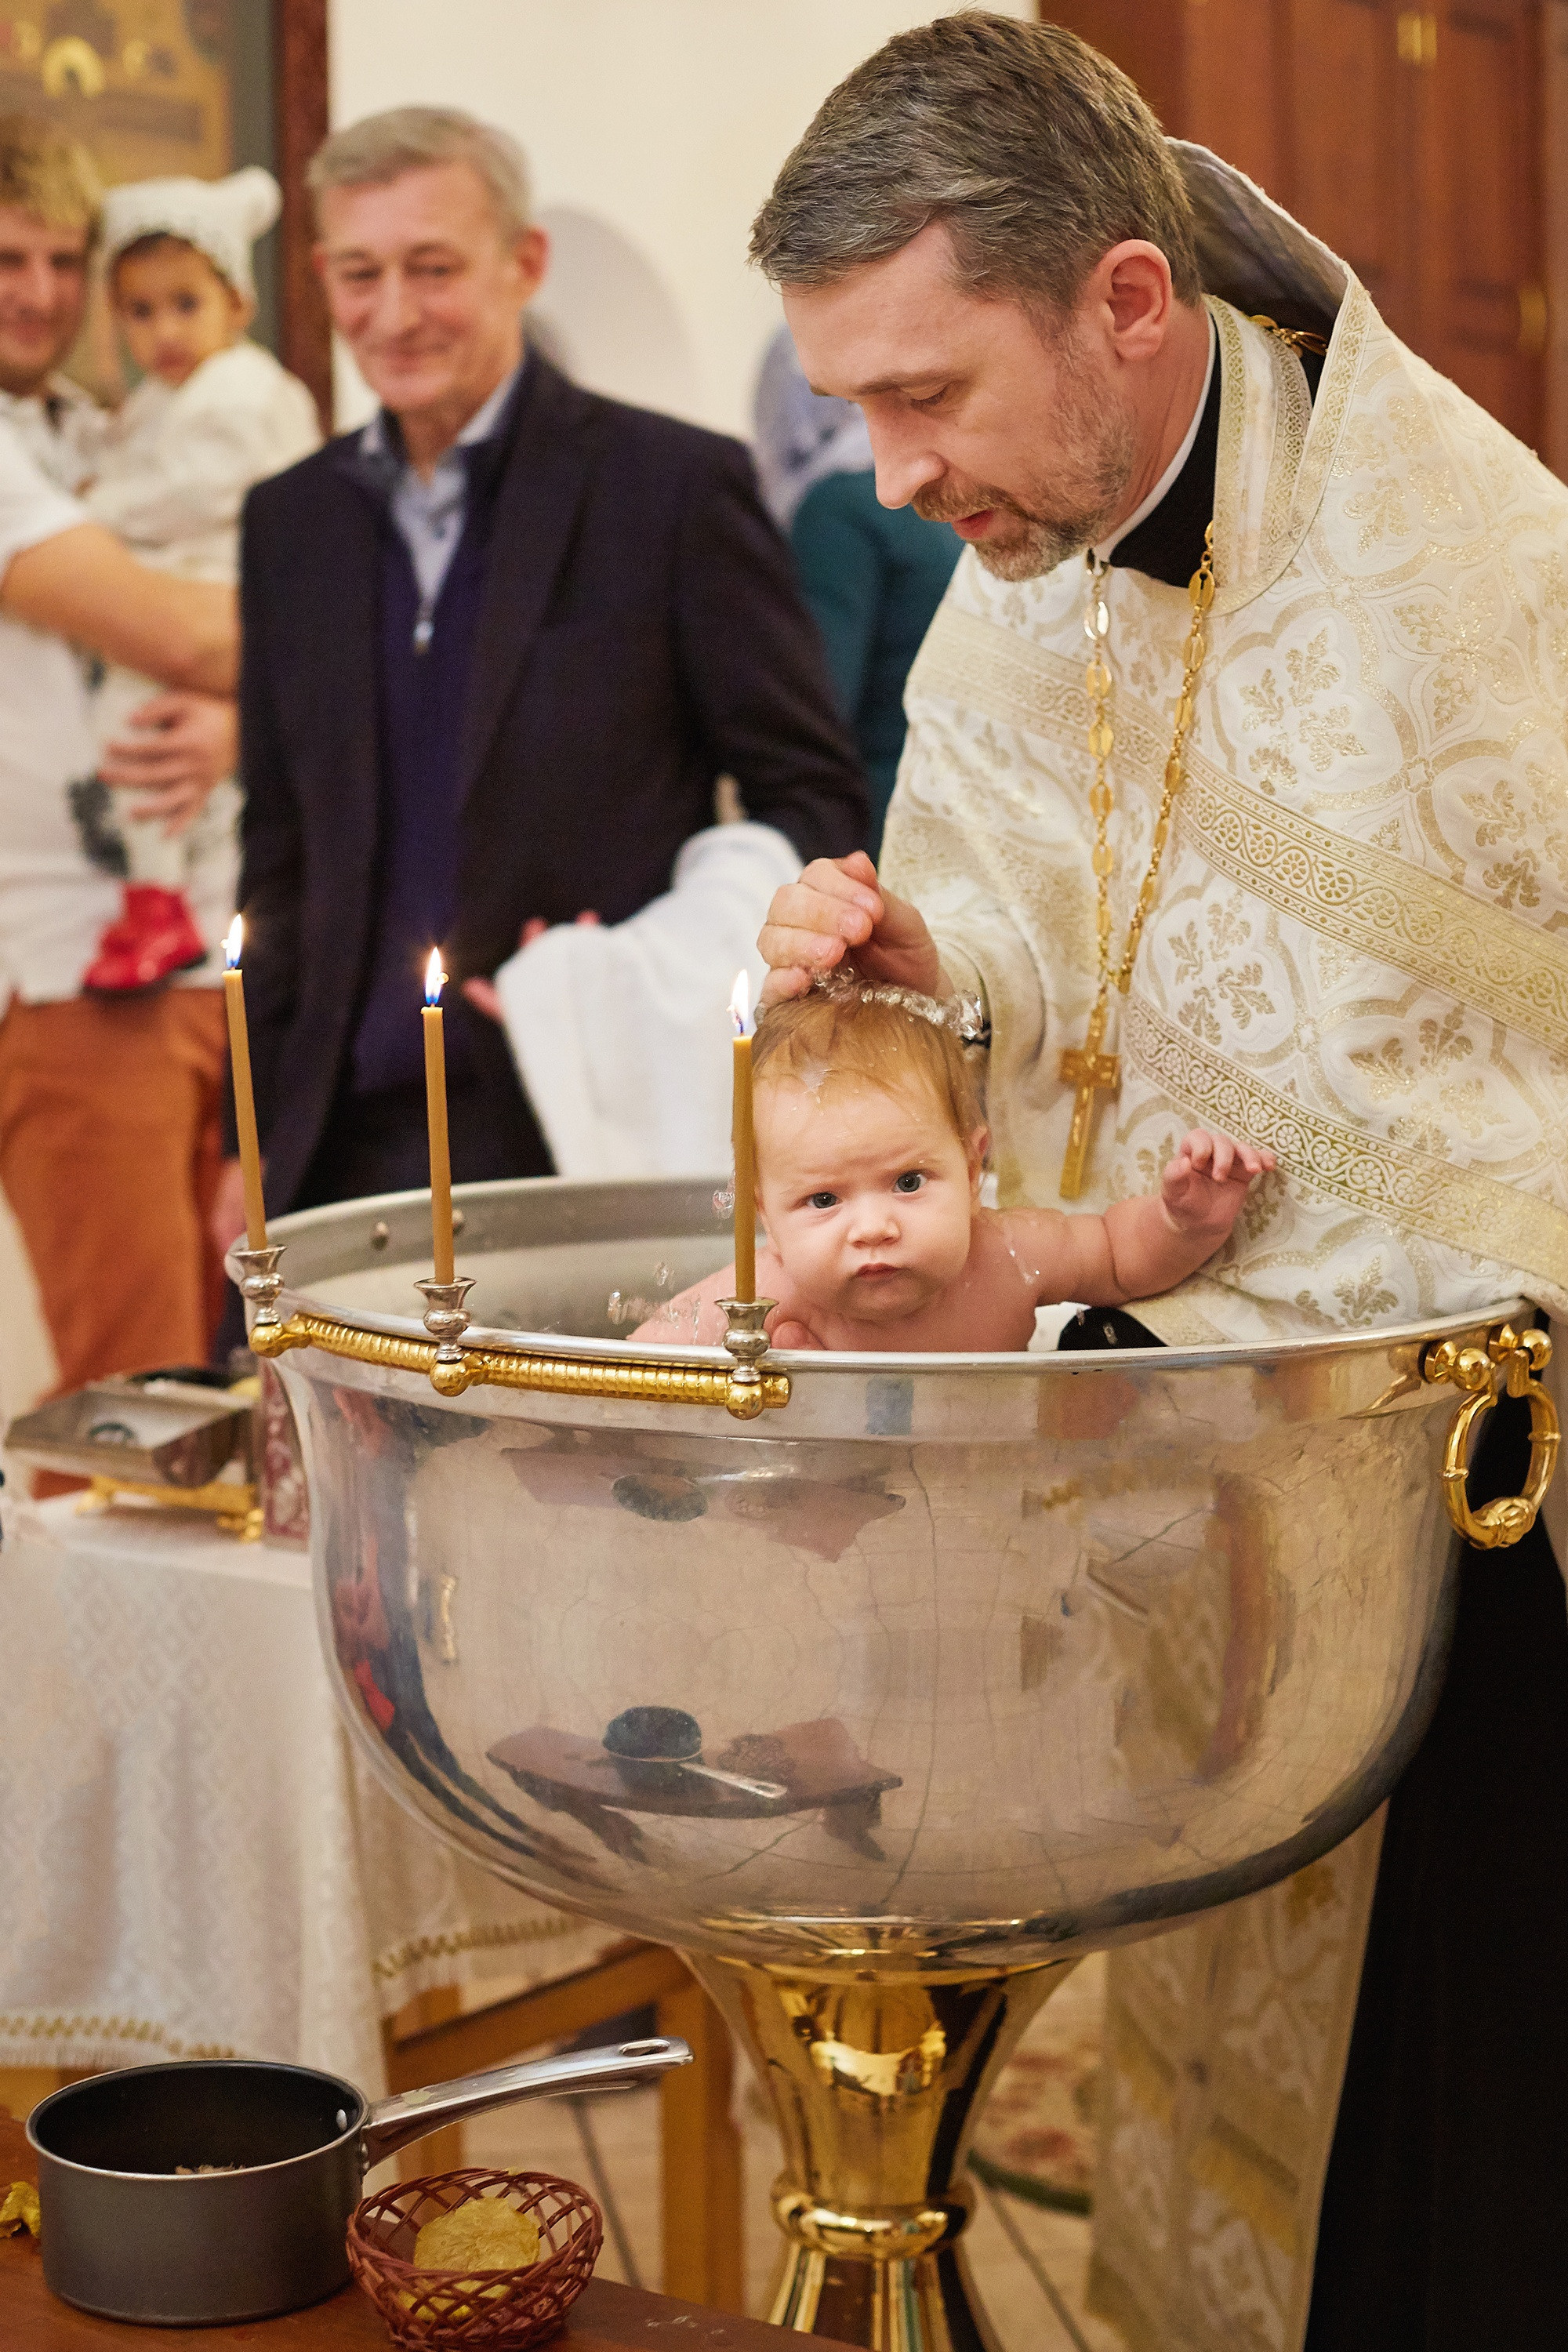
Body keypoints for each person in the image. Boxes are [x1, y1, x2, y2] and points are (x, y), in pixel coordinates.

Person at [750, 16, 1568, 2351]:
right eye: (856, 414)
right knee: (1218, 2101)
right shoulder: (1033, 564)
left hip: (1474, 1520)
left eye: (924, 396)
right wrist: (919, 987)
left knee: (1455, 2165)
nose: (896, 476)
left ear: (1122, 300)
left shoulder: (1485, 575)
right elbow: (1031, 976)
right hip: (1201, 1495)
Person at [217, 107, 865, 1279]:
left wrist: (657, 964)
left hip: (574, 1124)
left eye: (434, 267)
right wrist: (244, 1141)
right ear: (319, 278)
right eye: (360, 274)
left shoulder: (671, 488)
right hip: (332, 1140)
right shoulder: (287, 522)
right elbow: (277, 851)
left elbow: (812, 797)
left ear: (523, 264)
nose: (395, 312)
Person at [0, 117, 238, 1397]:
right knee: (136, 1401)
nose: (37, 293)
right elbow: (177, 624)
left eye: (58, 260)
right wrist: (358, 635)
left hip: (211, 952)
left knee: (244, 1392)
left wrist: (254, 714)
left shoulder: (100, 429)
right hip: (77, 985)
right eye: (5, 259)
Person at [637, 981, 1269, 1348]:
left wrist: (1185, 1223)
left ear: (972, 1174)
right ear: (765, 1220)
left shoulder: (1008, 1256)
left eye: (908, 1183)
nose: (874, 1227)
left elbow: (1118, 1259)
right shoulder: (768, 1293)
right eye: (824, 1201)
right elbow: (638, 1367)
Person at [78, 168, 320, 994]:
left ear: (237, 305)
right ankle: (156, 891)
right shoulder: (153, 403)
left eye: (186, 304)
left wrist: (93, 510)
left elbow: (196, 490)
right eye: (140, 312)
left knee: (138, 732)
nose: (164, 332)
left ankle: (159, 898)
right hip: (172, 580)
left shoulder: (245, 393)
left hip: (218, 582)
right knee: (140, 739)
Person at [753, 327, 957, 856]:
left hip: (884, 824)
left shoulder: (836, 508)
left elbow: (818, 700)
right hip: (951, 809)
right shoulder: (930, 492)